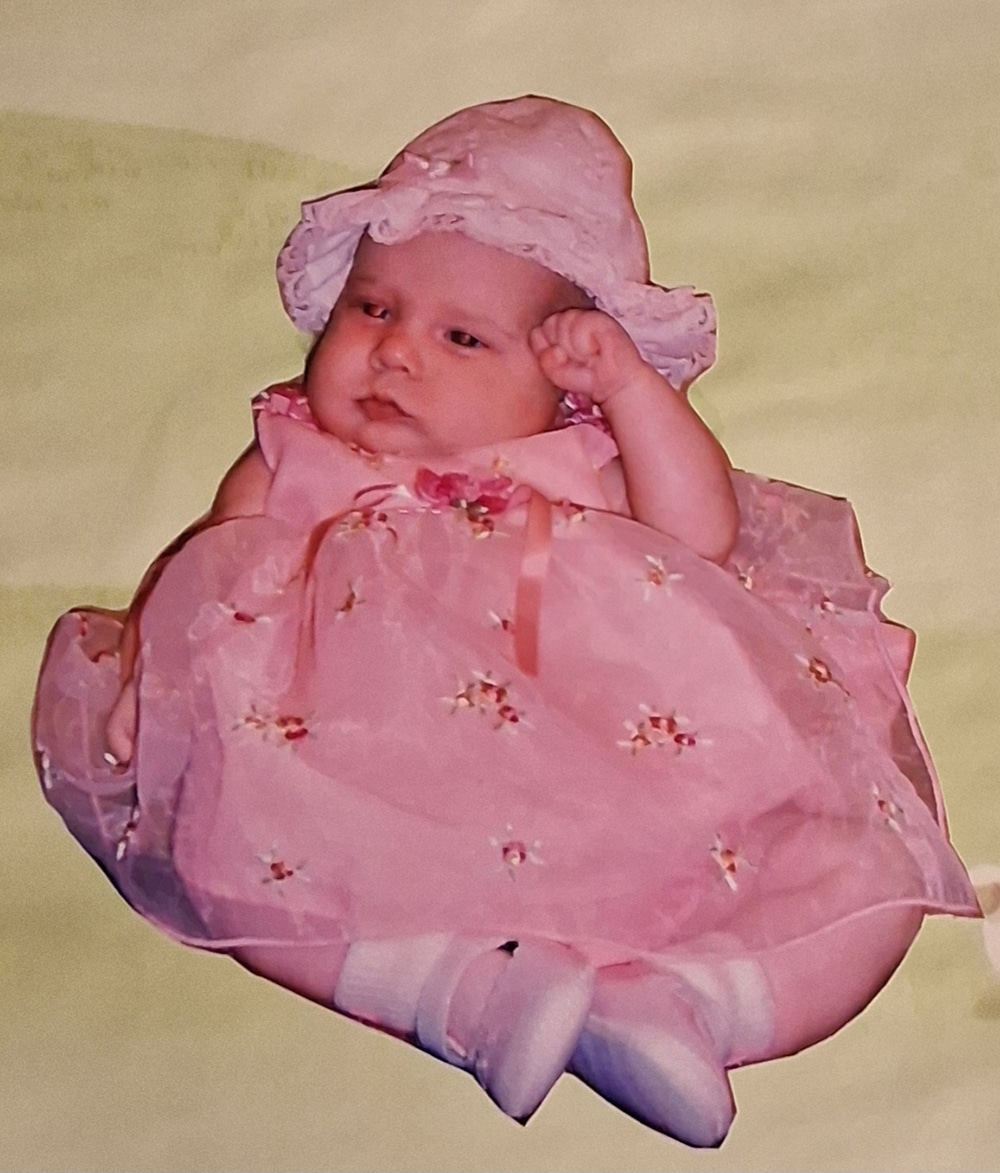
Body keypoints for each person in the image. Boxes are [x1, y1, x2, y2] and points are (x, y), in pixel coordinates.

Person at [33, 96, 980, 1148]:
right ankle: (462, 995)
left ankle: (695, 1006)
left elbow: (700, 534)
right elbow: (209, 571)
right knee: (220, 844)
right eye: (372, 309)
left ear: (557, 384)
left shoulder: (578, 457)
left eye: (462, 337)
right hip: (361, 766)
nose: (396, 353)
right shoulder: (293, 450)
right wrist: (153, 679)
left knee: (854, 860)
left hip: (613, 746)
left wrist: (631, 391)